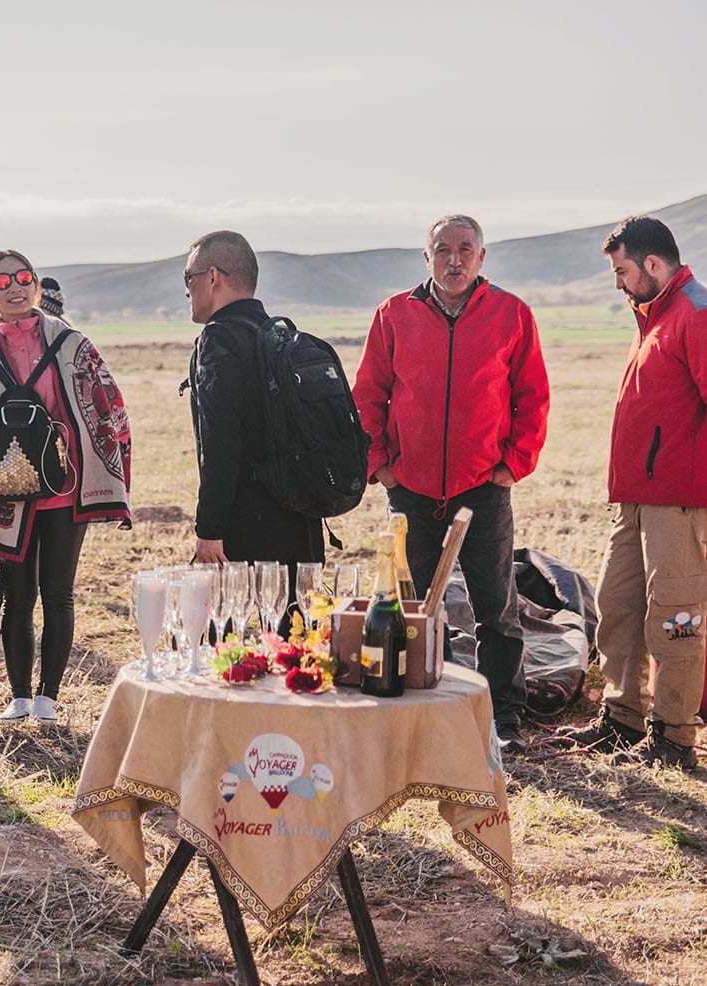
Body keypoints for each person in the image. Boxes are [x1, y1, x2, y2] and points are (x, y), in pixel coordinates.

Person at [351, 215, 550, 755]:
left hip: (483, 487)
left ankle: (503, 720)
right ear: (427, 258)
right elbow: (368, 395)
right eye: (443, 249)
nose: (454, 259)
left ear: (482, 258)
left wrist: (513, 465)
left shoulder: (511, 314)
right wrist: (381, 466)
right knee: (407, 606)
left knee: (496, 609)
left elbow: (531, 396)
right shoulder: (395, 314)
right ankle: (407, 710)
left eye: (466, 249)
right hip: (410, 489)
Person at [0, 250, 131, 723]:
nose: (15, 287)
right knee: (18, 596)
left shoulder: (73, 344)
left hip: (64, 489)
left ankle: (49, 698)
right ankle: (20, 696)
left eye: (23, 277)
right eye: (2, 280)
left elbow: (110, 407)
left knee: (58, 592)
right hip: (7, 495)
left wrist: (79, 449)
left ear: (34, 284)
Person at [557, 216, 707, 770]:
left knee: (675, 618)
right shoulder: (654, 316)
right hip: (636, 500)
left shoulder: (695, 312)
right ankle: (622, 720)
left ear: (650, 264)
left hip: (681, 503)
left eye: (621, 271)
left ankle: (674, 737)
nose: (617, 284)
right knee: (616, 607)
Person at [185, 231, 323, 567]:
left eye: (189, 277)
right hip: (302, 521)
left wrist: (210, 529)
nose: (187, 290)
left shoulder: (220, 339)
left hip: (249, 529)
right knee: (298, 620)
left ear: (213, 277)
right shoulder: (279, 334)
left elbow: (221, 443)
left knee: (248, 621)